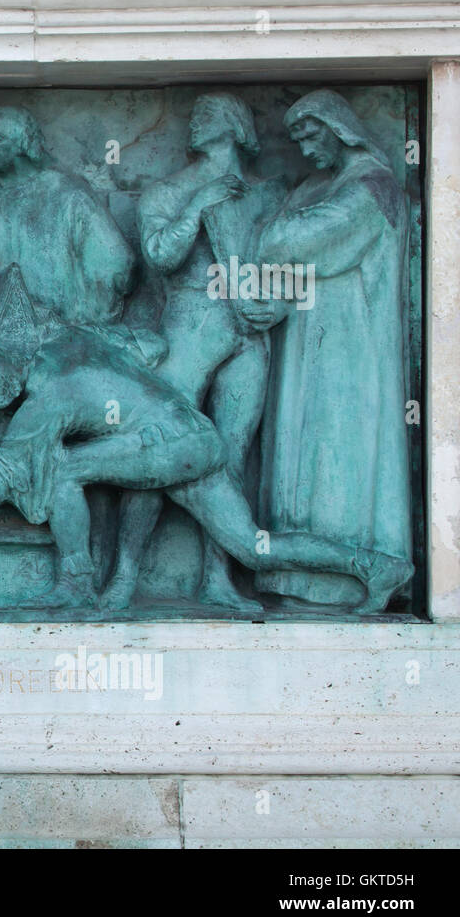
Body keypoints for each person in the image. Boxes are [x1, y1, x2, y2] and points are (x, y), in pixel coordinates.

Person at [0, 321, 412, 614]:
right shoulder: (73, 340)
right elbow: (150, 345)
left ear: (9, 383)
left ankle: (77, 582)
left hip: (170, 445)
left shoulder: (46, 400)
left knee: (60, 470)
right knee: (252, 547)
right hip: (197, 439)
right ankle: (375, 566)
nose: (2, 411)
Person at [106, 93, 287, 610]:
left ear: (236, 124)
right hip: (190, 321)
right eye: (195, 112)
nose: (196, 121)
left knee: (231, 456)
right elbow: (160, 257)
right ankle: (123, 576)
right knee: (158, 447)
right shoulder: (169, 192)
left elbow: (286, 259)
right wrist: (197, 208)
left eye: (210, 114)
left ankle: (218, 579)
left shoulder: (266, 194)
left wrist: (275, 304)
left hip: (248, 334)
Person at [249, 89, 414, 608]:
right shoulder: (317, 187)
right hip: (307, 346)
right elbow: (290, 259)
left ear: (338, 128)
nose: (305, 149)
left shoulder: (373, 188)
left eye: (311, 135)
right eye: (295, 139)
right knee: (298, 454)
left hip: (351, 355)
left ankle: (346, 577)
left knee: (334, 458)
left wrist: (273, 237)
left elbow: (287, 242)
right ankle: (295, 576)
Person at [0, 104, 135, 326]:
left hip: (61, 329)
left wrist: (86, 319)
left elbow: (117, 264)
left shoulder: (69, 195)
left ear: (23, 146)